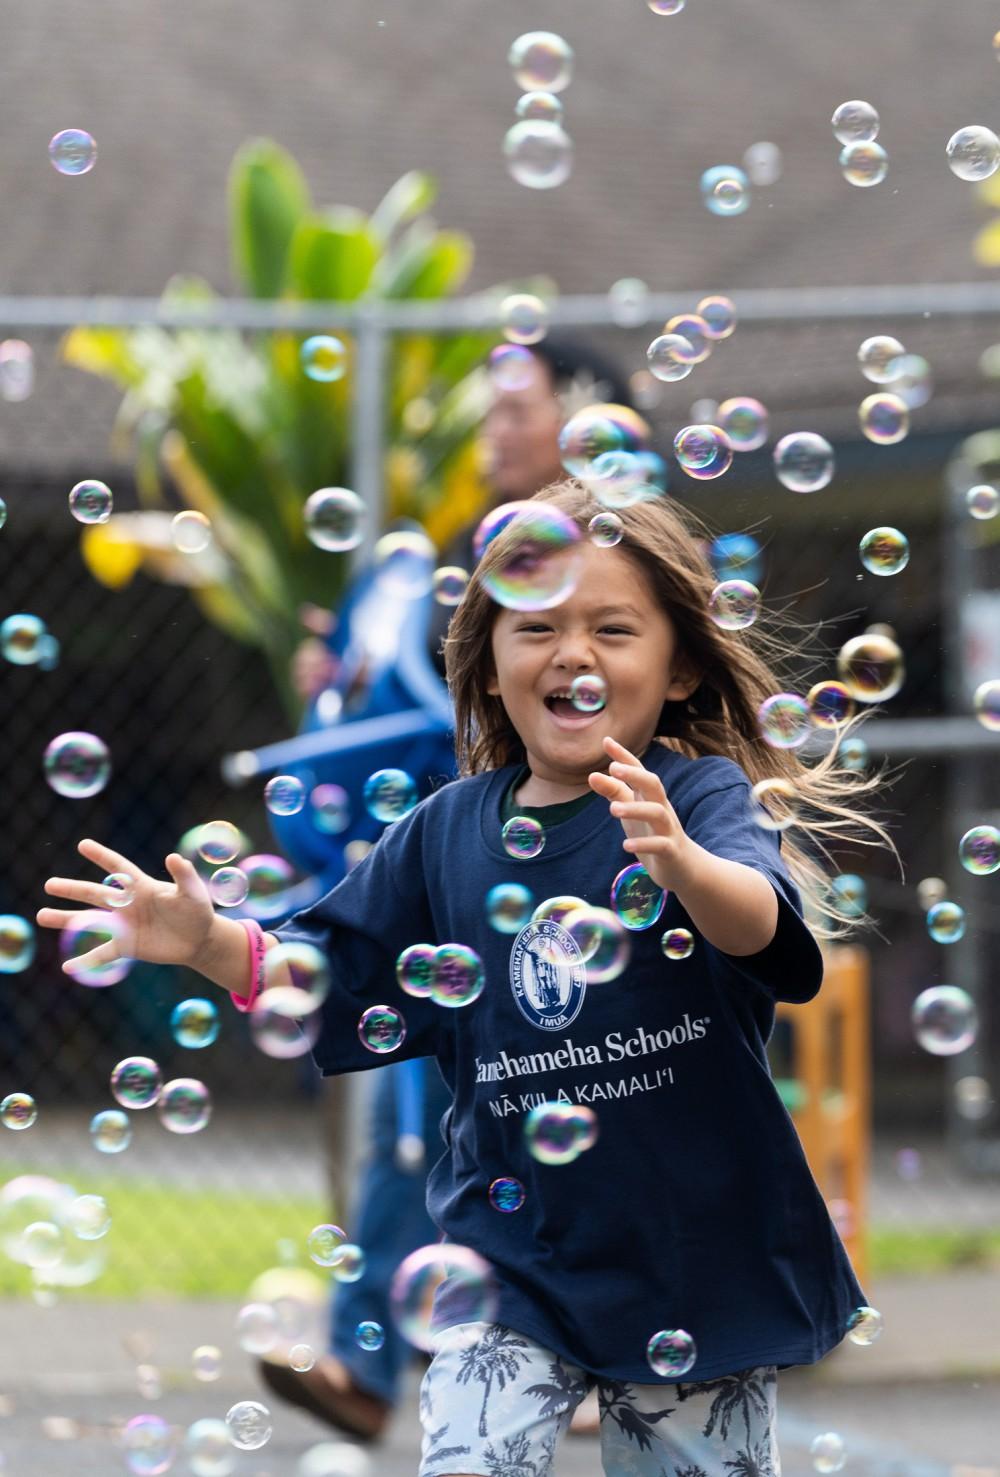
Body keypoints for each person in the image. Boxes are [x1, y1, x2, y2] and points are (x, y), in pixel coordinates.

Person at [38, 479, 893, 1476]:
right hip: (510, 1256)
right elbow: (326, 965)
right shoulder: (444, 830)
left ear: (683, 668)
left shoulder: (699, 797)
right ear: (486, 664)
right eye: (536, 627)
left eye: (612, 628)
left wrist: (684, 865)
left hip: (691, 1254)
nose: (571, 652)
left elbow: (765, 931)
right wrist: (206, 940)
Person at [277, 337, 640, 1440]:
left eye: (514, 409)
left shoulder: (632, 552)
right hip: (463, 875)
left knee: (590, 1109)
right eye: (487, 411)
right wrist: (338, 679)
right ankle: (364, 1364)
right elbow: (427, 692)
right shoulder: (465, 560)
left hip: (588, 875)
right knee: (424, 1114)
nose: (490, 431)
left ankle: (599, 1349)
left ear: (582, 420)